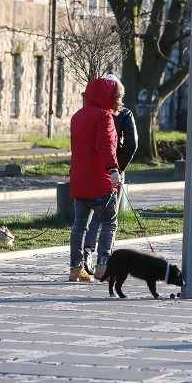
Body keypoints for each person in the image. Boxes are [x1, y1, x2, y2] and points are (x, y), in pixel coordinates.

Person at [67, 76, 123, 282]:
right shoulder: (104, 117)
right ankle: (103, 267)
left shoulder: (77, 116)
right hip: (100, 180)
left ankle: (76, 269)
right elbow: (106, 147)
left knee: (79, 225)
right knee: (109, 223)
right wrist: (113, 170)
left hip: (79, 180)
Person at [83, 74, 138, 275]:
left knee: (87, 215)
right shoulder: (123, 113)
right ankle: (104, 262)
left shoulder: (87, 111)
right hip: (111, 167)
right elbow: (131, 143)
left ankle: (86, 252)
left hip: (88, 168)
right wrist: (119, 167)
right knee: (108, 216)